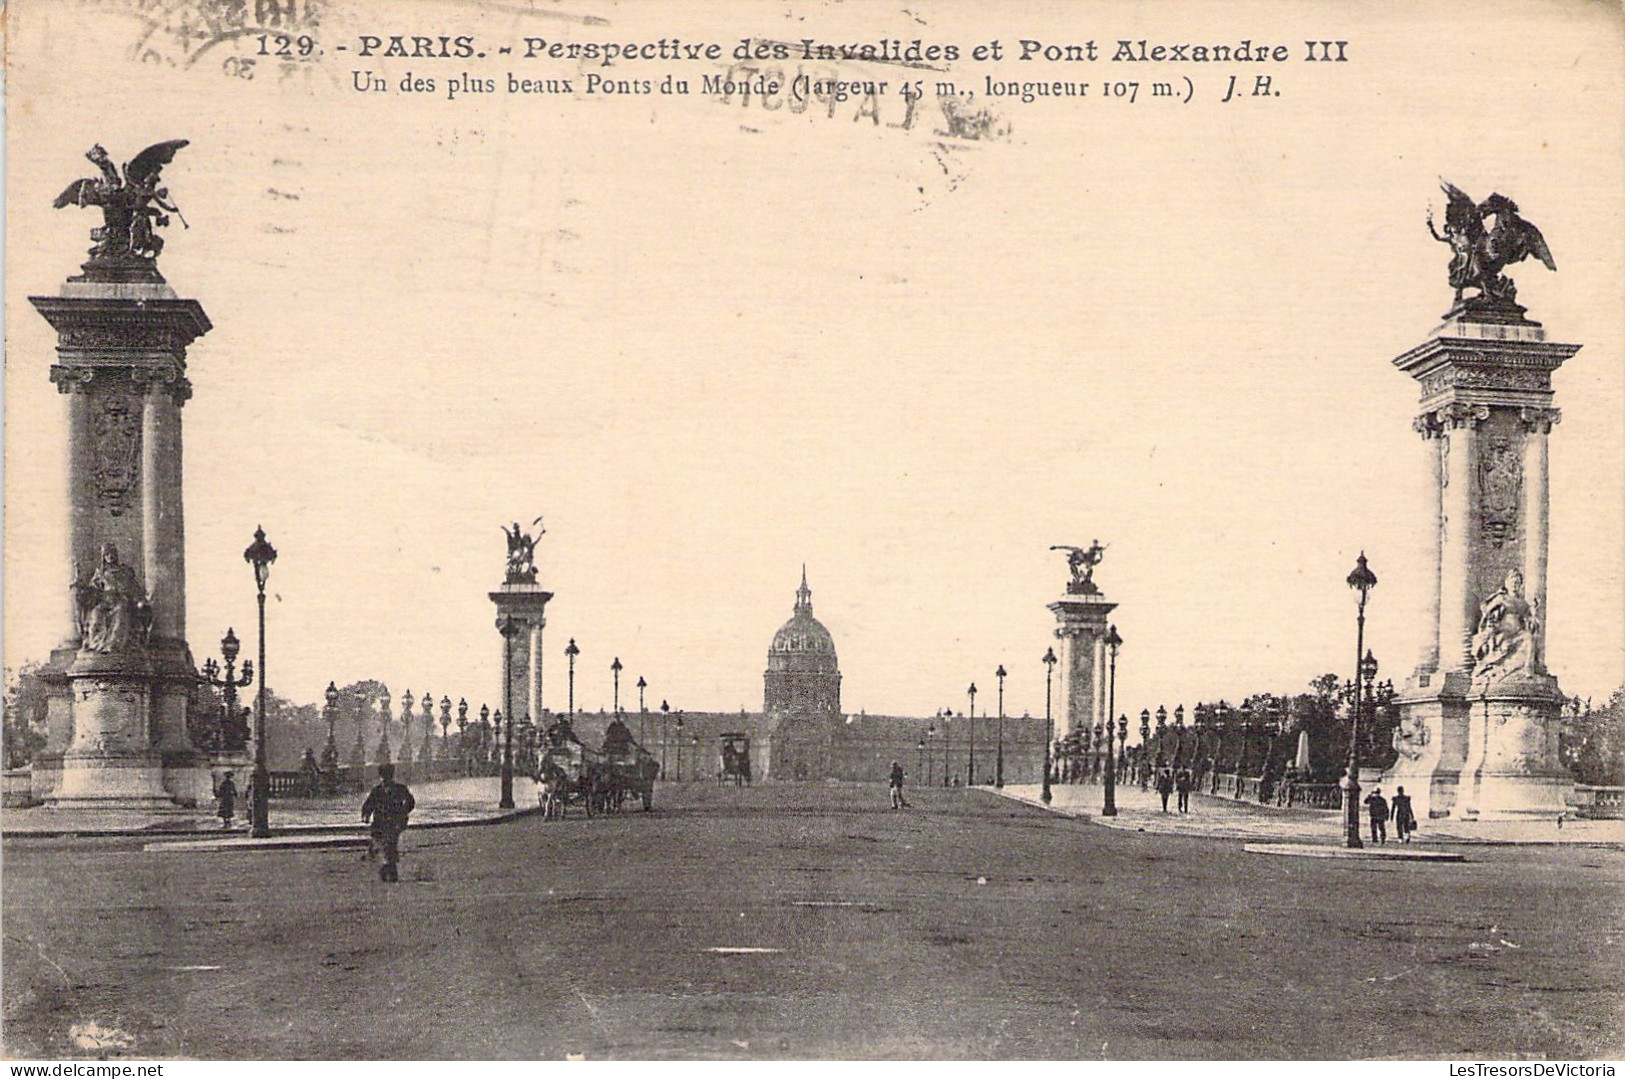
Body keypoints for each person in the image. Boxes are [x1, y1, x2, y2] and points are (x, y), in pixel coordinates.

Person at [361, 763, 416, 882]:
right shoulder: (380, 790)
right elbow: (368, 804)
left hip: (393, 822)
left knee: (389, 844)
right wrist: (366, 814)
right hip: (381, 823)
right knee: (386, 845)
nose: (386, 779)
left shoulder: (397, 789)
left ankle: (388, 868)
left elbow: (410, 802)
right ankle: (388, 867)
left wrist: (403, 812)